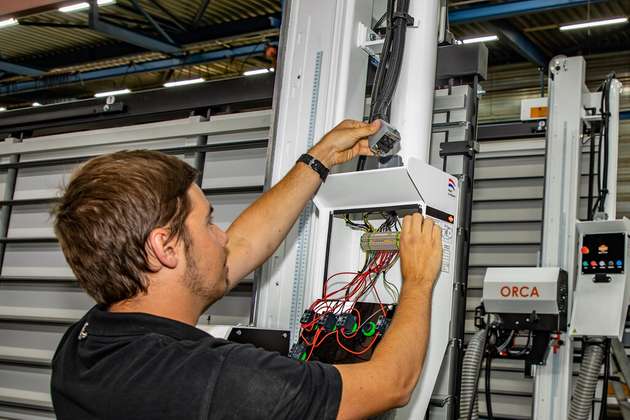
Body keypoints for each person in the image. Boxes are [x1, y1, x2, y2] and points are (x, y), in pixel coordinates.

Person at [50, 118, 443, 420]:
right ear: (164, 247)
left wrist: (319, 158)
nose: (221, 236)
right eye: (207, 222)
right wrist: (419, 280)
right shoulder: (214, 378)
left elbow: (241, 246)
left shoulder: (83, 344)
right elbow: (391, 384)